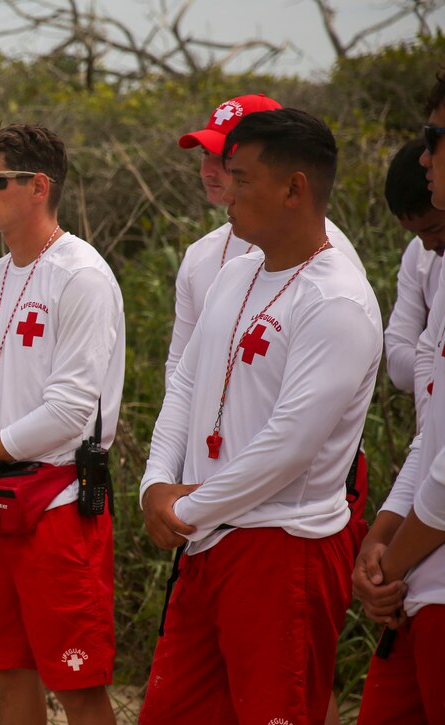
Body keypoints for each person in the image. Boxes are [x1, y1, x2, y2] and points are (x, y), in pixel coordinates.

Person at [138, 108, 381, 723]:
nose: (227, 194)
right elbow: (186, 384)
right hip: (208, 539)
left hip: (282, 548)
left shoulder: (337, 299)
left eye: (242, 180)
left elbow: (290, 447)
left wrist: (185, 508)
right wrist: (154, 484)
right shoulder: (236, 273)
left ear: (294, 189)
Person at [0, 124, 125, 724]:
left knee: (77, 682)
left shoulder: (81, 275)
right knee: (9, 675)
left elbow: (71, 412)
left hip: (59, 499)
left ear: (38, 186)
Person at [355, 70, 445, 724]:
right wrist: (380, 537)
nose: (423, 153)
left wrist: (393, 560)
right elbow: (431, 435)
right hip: (420, 582)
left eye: (435, 136)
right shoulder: (435, 272)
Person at [166, 93, 365, 385]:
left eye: (225, 157)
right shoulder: (201, 253)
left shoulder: (326, 251)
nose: (207, 170)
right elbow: (180, 367)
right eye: (204, 154)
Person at [382, 138, 445, 425]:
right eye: (417, 233)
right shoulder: (418, 256)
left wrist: (424, 357)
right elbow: (397, 364)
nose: (430, 243)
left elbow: (410, 363)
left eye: (435, 228)